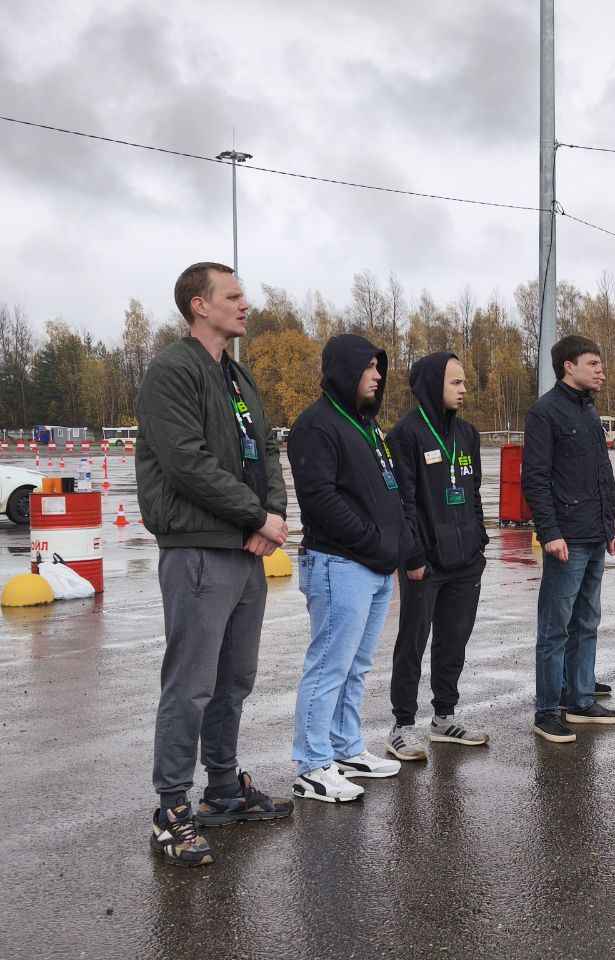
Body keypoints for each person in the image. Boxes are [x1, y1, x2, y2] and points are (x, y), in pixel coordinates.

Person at [138, 261, 292, 866]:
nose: (244, 304)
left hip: (244, 548)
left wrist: (268, 516)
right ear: (199, 306)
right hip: (199, 548)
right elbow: (186, 464)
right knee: (191, 684)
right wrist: (255, 517)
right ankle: (171, 808)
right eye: (232, 296)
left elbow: (269, 450)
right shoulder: (173, 372)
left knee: (236, 679)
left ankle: (222, 789)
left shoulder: (236, 375)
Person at [289, 334, 410, 801]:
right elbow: (320, 499)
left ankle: (345, 747)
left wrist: (392, 546)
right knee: (329, 666)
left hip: (375, 567)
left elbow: (384, 491)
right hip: (340, 564)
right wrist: (373, 541)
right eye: (369, 368)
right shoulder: (317, 426)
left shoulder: (367, 426)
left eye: (380, 368)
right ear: (344, 370)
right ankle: (312, 763)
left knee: (357, 665)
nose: (378, 376)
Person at [523, 335, 615, 743]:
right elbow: (535, 479)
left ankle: (580, 700)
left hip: (593, 536)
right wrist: (549, 532)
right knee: (555, 628)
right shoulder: (545, 412)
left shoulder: (589, 410)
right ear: (568, 366)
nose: (601, 370)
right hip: (566, 539)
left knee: (587, 621)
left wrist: (609, 529)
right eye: (593, 363)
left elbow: (601, 473)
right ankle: (547, 709)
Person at [385, 352, 490, 762]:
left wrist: (479, 542)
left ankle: (444, 717)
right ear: (432, 385)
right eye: (455, 383)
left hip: (465, 559)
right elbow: (403, 503)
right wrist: (413, 556)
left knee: (454, 640)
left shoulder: (467, 434)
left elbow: (475, 493)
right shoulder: (406, 435)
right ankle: (402, 725)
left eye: (464, 383)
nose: (463, 390)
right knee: (413, 642)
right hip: (424, 563)